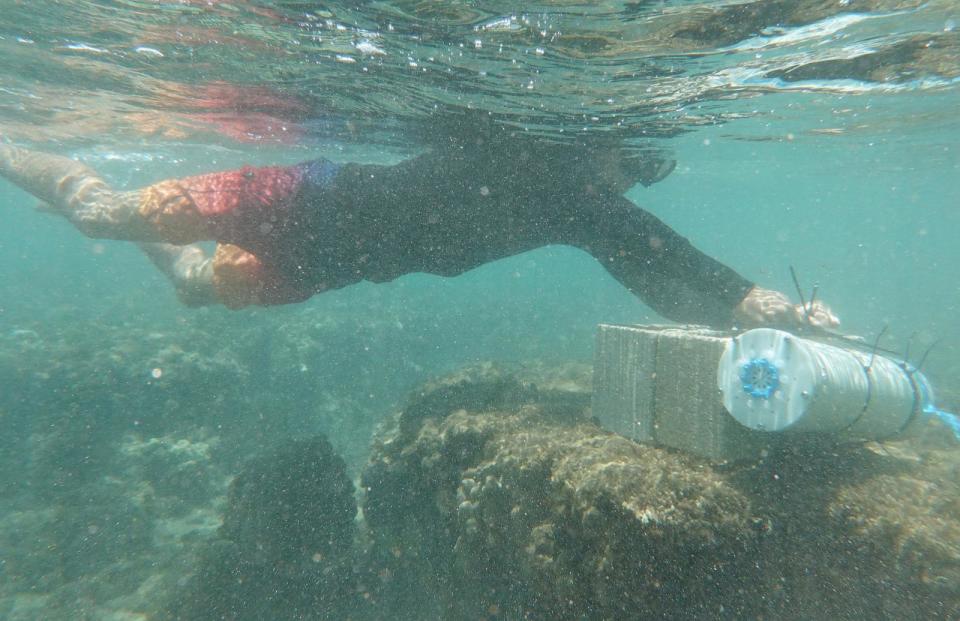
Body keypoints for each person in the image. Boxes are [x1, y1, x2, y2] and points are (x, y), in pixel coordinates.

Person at [0, 120, 837, 329]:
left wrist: (757, 305)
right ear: (595, 140)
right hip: (295, 196)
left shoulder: (586, 210)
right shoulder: (505, 140)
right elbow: (660, 250)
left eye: (648, 170)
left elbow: (663, 260)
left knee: (190, 287)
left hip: (335, 266)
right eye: (637, 161)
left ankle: (133, 228)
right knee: (100, 214)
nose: (636, 178)